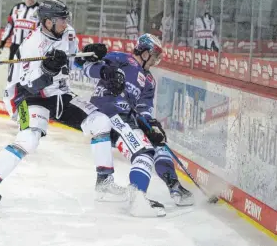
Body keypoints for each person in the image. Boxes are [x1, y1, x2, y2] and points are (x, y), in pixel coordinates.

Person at [0, 0, 126, 206]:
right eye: (60, 19)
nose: (65, 23)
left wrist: (91, 54)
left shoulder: (68, 32)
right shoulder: (32, 45)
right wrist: (49, 69)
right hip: (27, 96)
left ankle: (104, 182)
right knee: (29, 138)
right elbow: (30, 85)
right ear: (47, 22)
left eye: (65, 19)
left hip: (58, 94)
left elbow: (75, 61)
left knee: (100, 122)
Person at [77, 34, 194, 217]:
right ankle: (138, 198)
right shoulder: (123, 59)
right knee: (143, 152)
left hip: (126, 118)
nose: (156, 60)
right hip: (108, 112)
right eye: (154, 55)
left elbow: (144, 108)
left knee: (157, 144)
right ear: (144, 52)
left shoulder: (149, 81)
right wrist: (94, 60)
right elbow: (85, 66)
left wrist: (151, 126)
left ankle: (174, 185)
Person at [0, 0, 40, 82]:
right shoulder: (16, 8)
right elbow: (10, 25)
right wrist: (3, 41)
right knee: (12, 73)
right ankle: (12, 95)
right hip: (15, 46)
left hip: (30, 48)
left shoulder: (39, 10)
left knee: (27, 74)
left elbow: (42, 30)